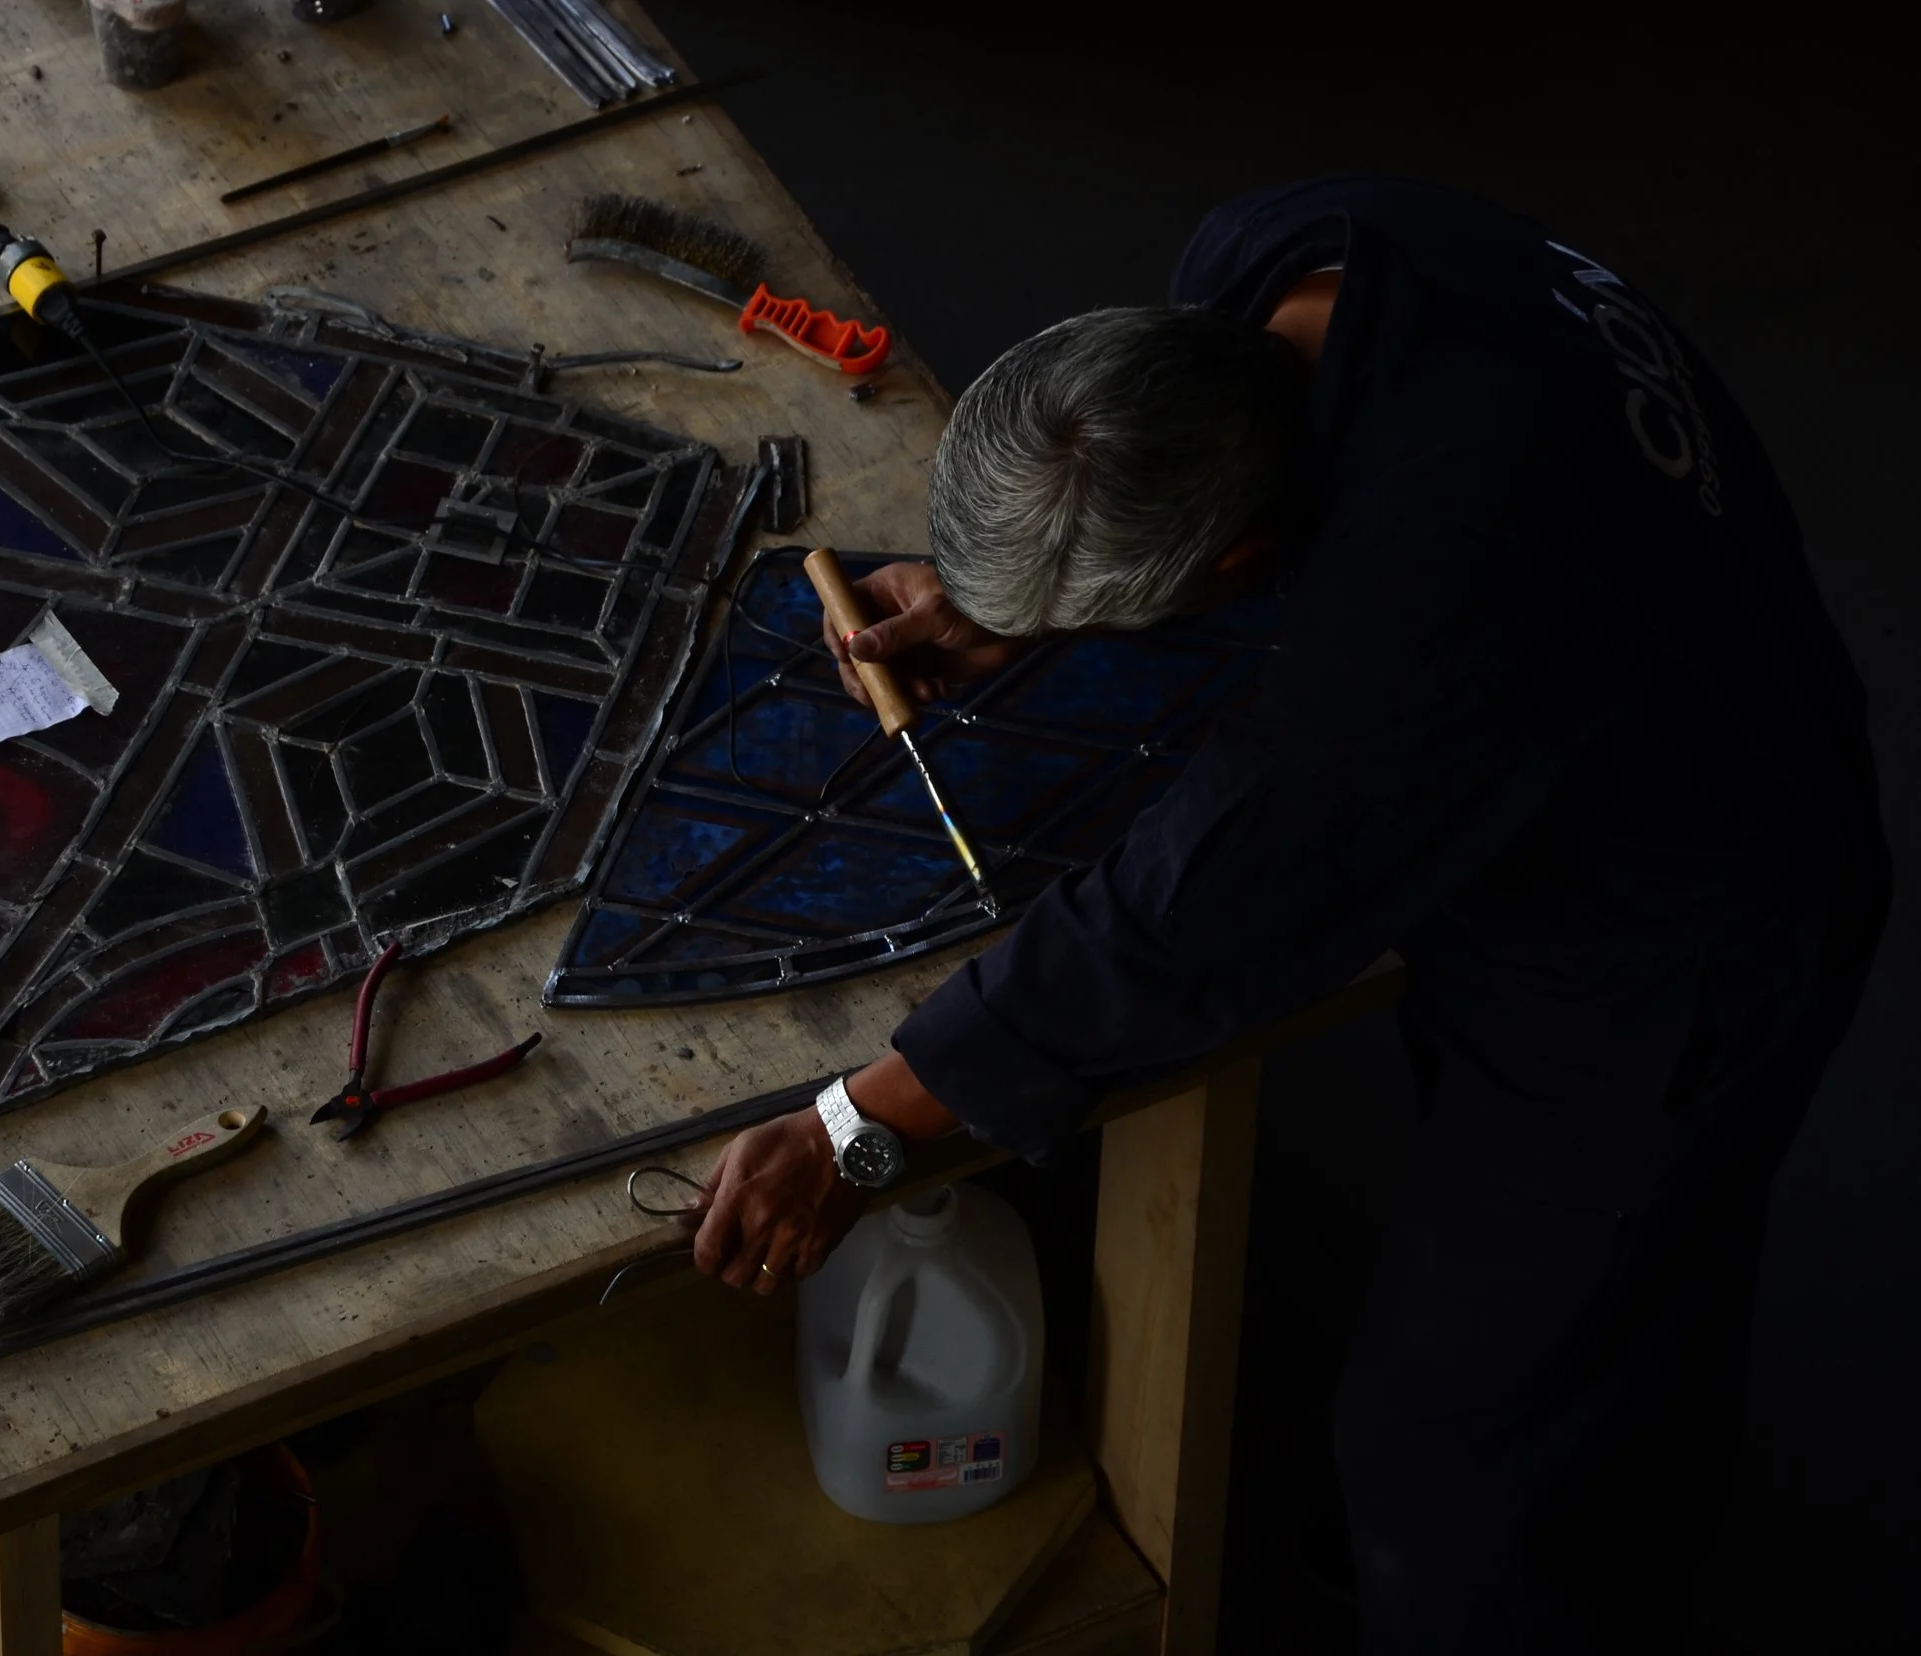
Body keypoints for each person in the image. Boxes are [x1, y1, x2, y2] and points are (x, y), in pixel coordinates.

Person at [680, 176, 1889, 1652]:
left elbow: (1175, 930)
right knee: (1615, 1321)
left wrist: (854, 1131)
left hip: (1680, 934)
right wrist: (1027, 592)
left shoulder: (1419, 623)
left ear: (1242, 564)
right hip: (1636, 682)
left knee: (1455, 1458)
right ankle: (1613, 1462)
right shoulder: (1300, 254)